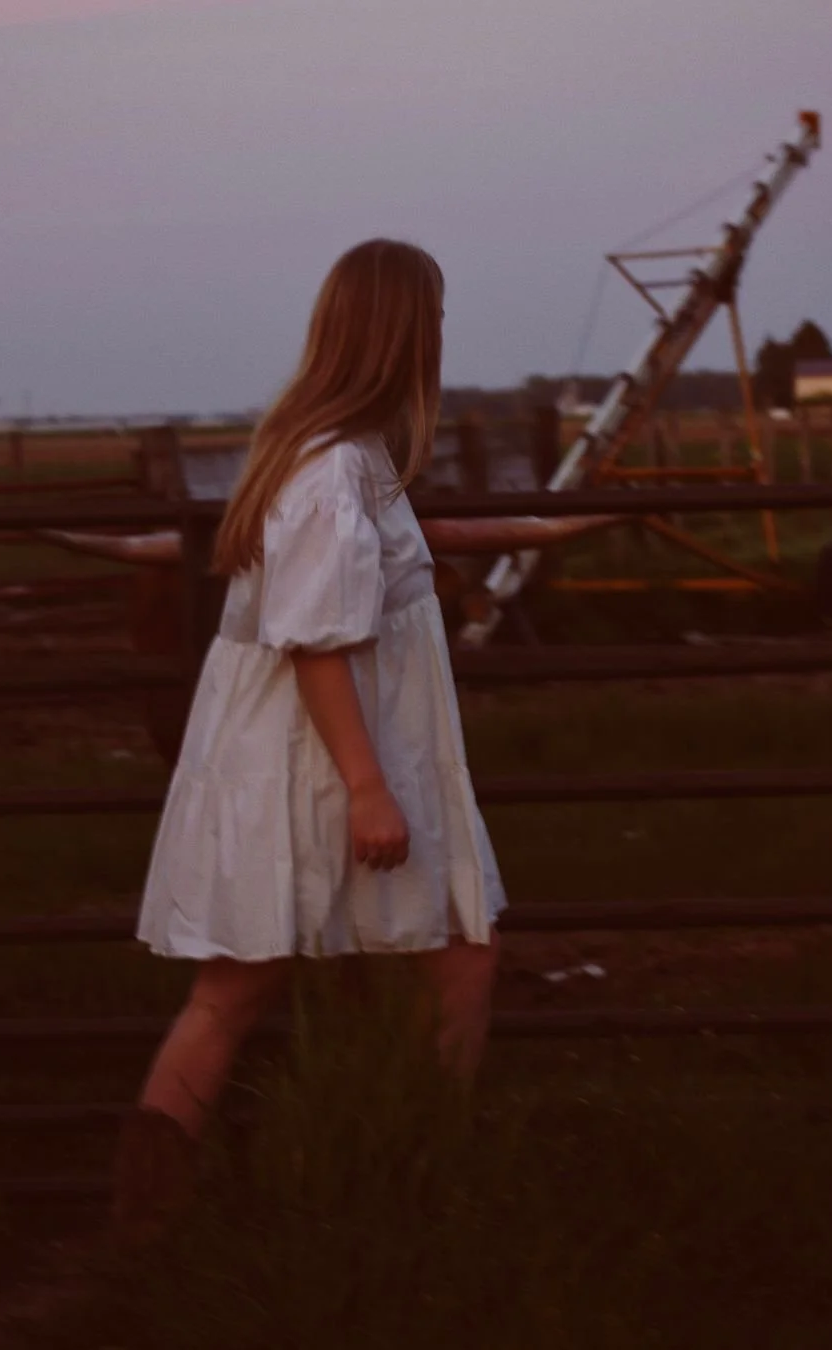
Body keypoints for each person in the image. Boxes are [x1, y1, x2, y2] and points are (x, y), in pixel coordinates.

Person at [114, 238, 507, 1238]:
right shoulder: (331, 472)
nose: (442, 338)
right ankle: (409, 1194)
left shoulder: (340, 455)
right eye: (437, 319)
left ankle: (165, 1227)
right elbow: (317, 643)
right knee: (260, 989)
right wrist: (370, 790)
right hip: (323, 763)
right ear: (402, 333)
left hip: (322, 756)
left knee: (252, 991)